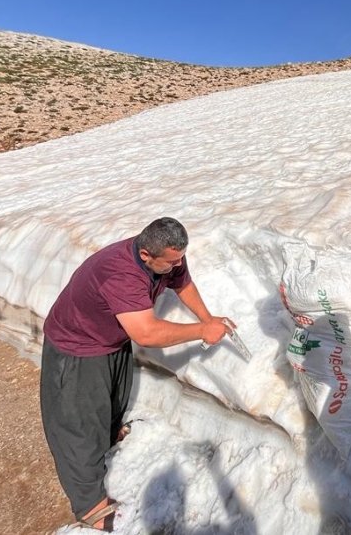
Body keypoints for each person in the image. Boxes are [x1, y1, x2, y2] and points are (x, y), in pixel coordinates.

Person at [40, 216, 234, 531]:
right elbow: (146, 333)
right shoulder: (121, 273)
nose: (178, 265)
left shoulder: (165, 257)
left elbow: (182, 283)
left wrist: (209, 318)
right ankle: (89, 502)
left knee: (112, 399)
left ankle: (107, 433)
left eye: (181, 258)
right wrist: (201, 330)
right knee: (77, 423)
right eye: (172, 261)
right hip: (77, 347)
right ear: (147, 256)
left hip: (111, 340)